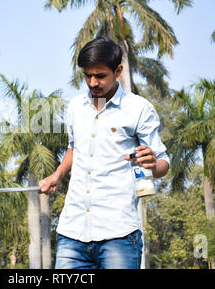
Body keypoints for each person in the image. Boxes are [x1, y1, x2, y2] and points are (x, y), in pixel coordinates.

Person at [38, 36, 170, 269]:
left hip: (118, 233)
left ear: (118, 71)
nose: (92, 82)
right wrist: (57, 175)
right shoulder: (75, 107)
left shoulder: (138, 109)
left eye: (100, 76)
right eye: (87, 75)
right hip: (72, 232)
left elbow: (163, 163)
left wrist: (152, 163)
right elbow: (74, 148)